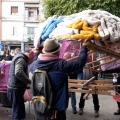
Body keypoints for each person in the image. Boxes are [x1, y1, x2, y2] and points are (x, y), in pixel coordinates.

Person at [31, 38, 89, 120]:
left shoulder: (35, 64)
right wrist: (84, 47)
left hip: (40, 105)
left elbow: (35, 60)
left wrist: (36, 54)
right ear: (56, 52)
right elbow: (80, 63)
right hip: (55, 109)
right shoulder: (60, 65)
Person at [7, 49, 35, 120]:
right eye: (33, 57)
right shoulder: (21, 59)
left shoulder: (20, 57)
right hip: (15, 89)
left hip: (15, 88)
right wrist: (29, 81)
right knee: (18, 112)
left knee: (17, 110)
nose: (33, 59)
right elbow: (18, 72)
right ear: (29, 54)